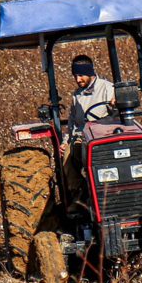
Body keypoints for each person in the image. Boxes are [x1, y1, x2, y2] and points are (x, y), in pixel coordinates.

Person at [60, 55, 115, 206]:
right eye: (75, 76)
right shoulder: (77, 96)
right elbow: (73, 124)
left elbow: (117, 112)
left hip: (105, 135)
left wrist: (115, 104)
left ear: (90, 73)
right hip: (84, 137)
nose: (78, 80)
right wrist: (65, 142)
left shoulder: (108, 89)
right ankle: (79, 196)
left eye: (81, 75)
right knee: (67, 154)